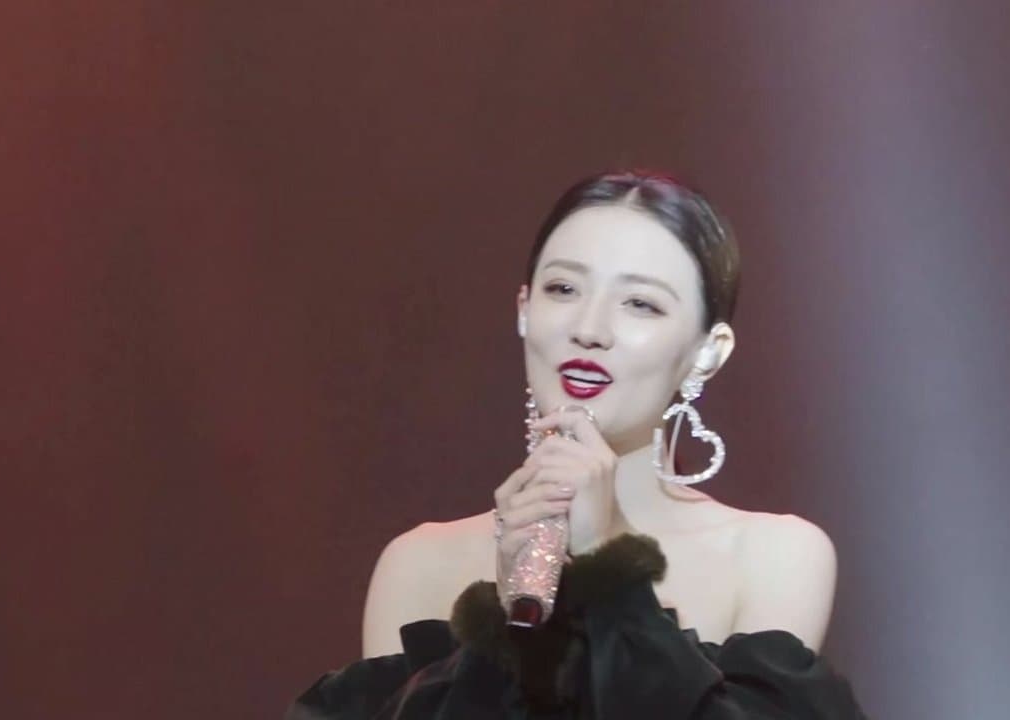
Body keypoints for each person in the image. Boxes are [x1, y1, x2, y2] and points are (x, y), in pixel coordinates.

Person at [287, 170, 867, 718]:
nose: (589, 329)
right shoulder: (420, 562)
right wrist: (508, 626)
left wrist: (605, 568)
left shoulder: (770, 556)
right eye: (563, 289)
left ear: (707, 352)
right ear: (524, 311)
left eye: (640, 304)